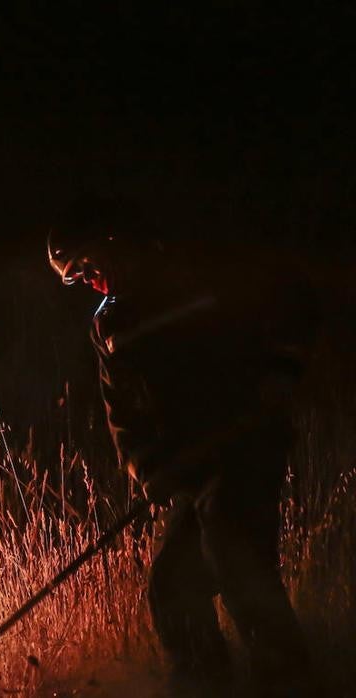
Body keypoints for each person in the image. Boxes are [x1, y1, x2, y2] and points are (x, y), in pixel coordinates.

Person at [48, 199, 318, 697]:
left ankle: (289, 682)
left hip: (245, 445)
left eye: (85, 268)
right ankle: (203, 685)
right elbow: (122, 416)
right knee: (173, 585)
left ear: (111, 242)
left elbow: (293, 293)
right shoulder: (108, 326)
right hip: (194, 469)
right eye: (74, 278)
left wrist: (281, 370)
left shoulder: (192, 270)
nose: (86, 281)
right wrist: (151, 471)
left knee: (235, 557)